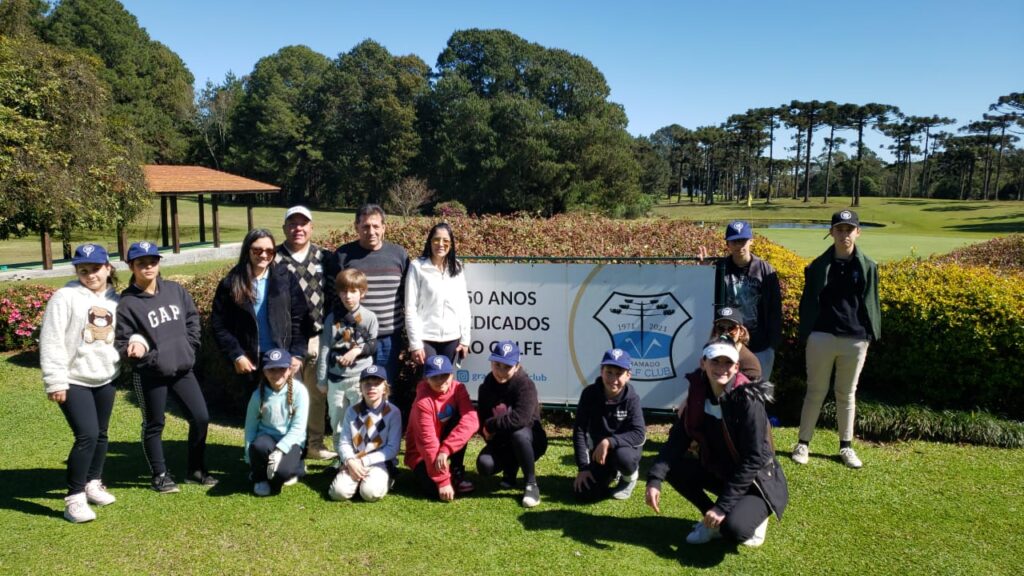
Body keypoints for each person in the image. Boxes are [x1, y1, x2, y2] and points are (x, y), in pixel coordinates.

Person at [645, 338, 788, 547]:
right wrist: (654, 479)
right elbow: (677, 440)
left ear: (736, 367)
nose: (721, 368)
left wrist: (722, 507)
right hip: (722, 471)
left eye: (728, 362)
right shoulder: (697, 392)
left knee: (734, 530)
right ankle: (711, 520)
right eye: (715, 361)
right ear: (703, 363)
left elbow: (754, 459)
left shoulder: (747, 399)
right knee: (673, 468)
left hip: (757, 482)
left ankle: (748, 515)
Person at [115, 241, 215, 493]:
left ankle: (196, 470)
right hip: (150, 374)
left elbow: (192, 319)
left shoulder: (174, 290)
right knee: (154, 424)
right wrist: (144, 356)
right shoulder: (127, 302)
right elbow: (121, 342)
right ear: (131, 266)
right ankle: (159, 475)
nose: (148, 267)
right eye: (141, 263)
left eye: (153, 261)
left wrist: (190, 347)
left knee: (201, 417)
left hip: (182, 369)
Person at [40, 243, 121, 523]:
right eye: (83, 270)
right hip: (74, 379)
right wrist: (55, 381)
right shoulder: (65, 297)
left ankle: (92, 483)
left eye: (96, 268)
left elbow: (127, 331)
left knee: (101, 434)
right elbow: (51, 340)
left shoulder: (116, 299)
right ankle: (74, 499)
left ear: (108, 268)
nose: (90, 275)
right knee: (86, 435)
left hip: (106, 377)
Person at [793, 210, 880, 469]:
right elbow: (808, 302)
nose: (844, 234)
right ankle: (803, 443)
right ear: (831, 232)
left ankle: (846, 446)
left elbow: (871, 301)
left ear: (858, 232)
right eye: (839, 229)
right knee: (815, 391)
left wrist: (869, 335)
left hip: (856, 339)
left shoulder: (868, 266)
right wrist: (807, 332)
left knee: (847, 394)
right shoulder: (818, 266)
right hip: (822, 336)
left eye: (849, 229)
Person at [210, 228, 307, 392]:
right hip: (250, 362)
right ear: (247, 250)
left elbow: (300, 317)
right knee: (255, 406)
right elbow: (219, 325)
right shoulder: (231, 282)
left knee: (286, 405)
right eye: (257, 250)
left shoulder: (285, 278)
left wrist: (297, 353)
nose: (264, 255)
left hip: (283, 359)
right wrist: (236, 355)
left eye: (270, 251)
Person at [275, 205, 335, 460]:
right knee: (288, 395)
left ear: (311, 227)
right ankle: (292, 446)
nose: (297, 228)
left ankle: (314, 444)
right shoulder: (273, 257)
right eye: (292, 224)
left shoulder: (325, 257)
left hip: (317, 338)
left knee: (316, 394)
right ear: (284, 228)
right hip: (285, 340)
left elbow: (333, 294)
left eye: (303, 224)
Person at [325, 204, 409, 383]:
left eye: (376, 226)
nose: (371, 231)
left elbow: (406, 296)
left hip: (388, 338)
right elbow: (334, 295)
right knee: (354, 389)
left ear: (384, 227)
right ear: (356, 227)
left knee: (385, 387)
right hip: (353, 337)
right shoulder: (343, 255)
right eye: (365, 226)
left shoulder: (399, 254)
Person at [476, 341, 548, 508]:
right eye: (497, 365)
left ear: (517, 366)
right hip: (502, 442)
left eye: (507, 367)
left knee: (518, 434)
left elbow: (520, 419)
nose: (501, 371)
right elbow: (482, 420)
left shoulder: (526, 385)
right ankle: (510, 469)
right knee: (485, 465)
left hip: (531, 440)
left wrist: (491, 426)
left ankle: (531, 484)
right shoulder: (485, 387)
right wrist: (486, 431)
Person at [317, 268, 378, 462]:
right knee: (337, 421)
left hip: (360, 379)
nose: (348, 296)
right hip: (336, 380)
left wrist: (356, 351)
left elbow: (373, 344)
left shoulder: (369, 317)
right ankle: (342, 459)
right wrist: (322, 380)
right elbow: (325, 349)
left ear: (362, 293)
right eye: (344, 291)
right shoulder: (331, 318)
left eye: (353, 291)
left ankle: (361, 457)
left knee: (361, 419)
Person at [571, 349, 646, 502]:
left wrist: (609, 441)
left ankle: (629, 478)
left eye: (619, 374)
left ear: (628, 375)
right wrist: (583, 467)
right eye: (609, 372)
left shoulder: (632, 398)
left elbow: (639, 434)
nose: (613, 379)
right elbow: (579, 430)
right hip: (600, 453)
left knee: (623, 458)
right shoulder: (589, 394)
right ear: (601, 371)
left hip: (625, 450)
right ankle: (611, 473)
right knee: (585, 493)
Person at [713, 220, 783, 380]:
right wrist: (704, 270)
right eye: (734, 241)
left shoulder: (765, 269)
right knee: (727, 389)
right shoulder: (719, 268)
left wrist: (773, 344)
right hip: (727, 343)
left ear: (751, 241)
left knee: (758, 390)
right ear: (727, 244)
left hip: (760, 345)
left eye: (743, 240)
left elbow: (775, 307)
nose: (739, 246)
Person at [404, 355, 479, 501]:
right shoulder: (422, 402)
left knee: (461, 420)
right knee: (434, 489)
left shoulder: (458, 388)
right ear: (426, 378)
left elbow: (472, 420)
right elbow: (428, 443)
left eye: (445, 375)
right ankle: (444, 476)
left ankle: (456, 470)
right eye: (435, 377)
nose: (440, 381)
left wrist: (446, 449)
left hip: (443, 446)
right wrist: (443, 481)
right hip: (421, 452)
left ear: (452, 375)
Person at [329, 365, 402, 502]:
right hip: (355, 460)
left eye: (377, 383)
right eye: (367, 384)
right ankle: (358, 481)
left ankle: (386, 478)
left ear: (385, 388)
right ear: (360, 387)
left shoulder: (393, 412)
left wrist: (363, 461)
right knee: (338, 493)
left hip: (380, 462)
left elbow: (392, 448)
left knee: (369, 493)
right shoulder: (352, 411)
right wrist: (350, 460)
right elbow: (344, 442)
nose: (372, 388)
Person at [244, 349, 309, 497]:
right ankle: (259, 478)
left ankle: (296, 467)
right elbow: (250, 427)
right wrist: (250, 458)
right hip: (267, 440)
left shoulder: (300, 391)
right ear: (264, 372)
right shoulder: (257, 395)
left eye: (281, 369)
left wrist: (280, 451)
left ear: (289, 370)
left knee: (281, 475)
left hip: (292, 442)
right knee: (258, 446)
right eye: (271, 370)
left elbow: (298, 427)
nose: (277, 374)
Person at [404, 222, 471, 366]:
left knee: (446, 377)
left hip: (452, 338)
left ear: (451, 244)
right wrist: (415, 344)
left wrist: (465, 340)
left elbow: (464, 306)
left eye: (445, 240)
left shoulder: (457, 267)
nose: (440, 244)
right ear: (430, 242)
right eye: (436, 240)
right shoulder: (417, 266)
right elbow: (410, 308)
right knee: (430, 376)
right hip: (426, 337)